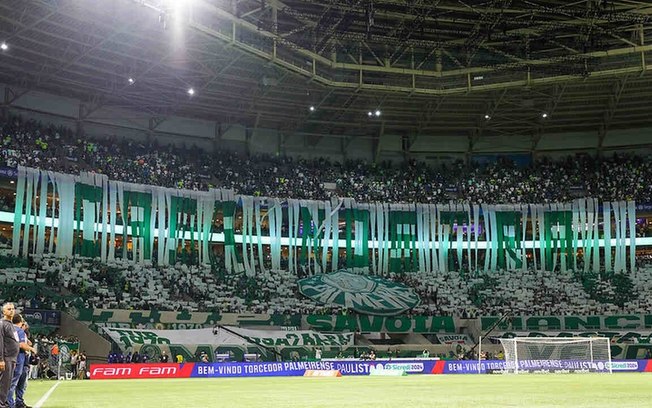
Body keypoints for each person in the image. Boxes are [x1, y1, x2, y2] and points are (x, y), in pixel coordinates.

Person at [0, 303, 19, 408]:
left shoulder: (11, 324)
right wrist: (1, 359)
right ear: (4, 312)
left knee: (8, 383)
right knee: (4, 383)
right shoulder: (2, 324)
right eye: (9, 309)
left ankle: (5, 403)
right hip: (6, 358)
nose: (11, 311)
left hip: (12, 358)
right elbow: (0, 342)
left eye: (13, 309)